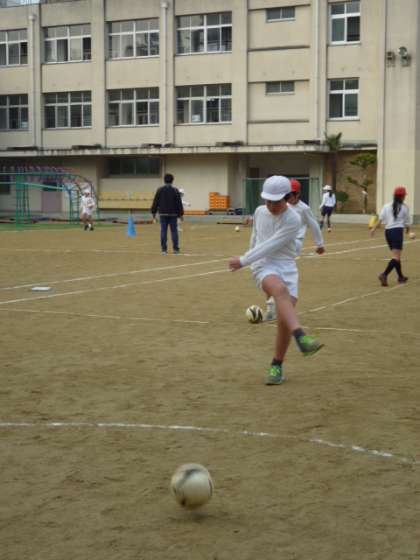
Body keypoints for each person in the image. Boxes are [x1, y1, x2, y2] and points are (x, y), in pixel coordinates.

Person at [229, 175, 324, 386]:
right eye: (268, 201)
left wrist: (243, 260)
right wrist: (248, 260)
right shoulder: (259, 211)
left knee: (283, 322)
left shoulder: (293, 219)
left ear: (287, 198)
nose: (271, 206)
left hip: (287, 266)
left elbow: (272, 244)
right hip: (262, 264)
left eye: (276, 201)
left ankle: (277, 365)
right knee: (279, 290)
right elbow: (256, 239)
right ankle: (301, 336)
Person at [265, 178, 325, 321]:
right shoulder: (280, 205)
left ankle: (275, 303)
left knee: (279, 271)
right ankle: (271, 304)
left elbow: (314, 225)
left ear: (297, 194)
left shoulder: (304, 209)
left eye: (290, 195)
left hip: (294, 243)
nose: (287, 198)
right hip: (278, 241)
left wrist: (320, 244)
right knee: (269, 271)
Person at [370, 185, 411, 286]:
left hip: (388, 232)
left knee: (396, 256)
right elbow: (407, 222)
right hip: (397, 232)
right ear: (402, 196)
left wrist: (373, 229)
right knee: (396, 257)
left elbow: (380, 219)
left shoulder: (386, 206)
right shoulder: (405, 207)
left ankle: (401, 277)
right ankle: (384, 274)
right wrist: (408, 231)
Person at [151, 173, 184, 254]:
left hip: (163, 214)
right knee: (174, 231)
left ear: (164, 180)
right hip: (173, 214)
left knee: (163, 231)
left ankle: (164, 249)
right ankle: (175, 249)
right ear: (172, 181)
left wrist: (153, 214)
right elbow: (179, 203)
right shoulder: (175, 190)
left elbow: (155, 202)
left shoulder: (159, 190)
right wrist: (181, 214)